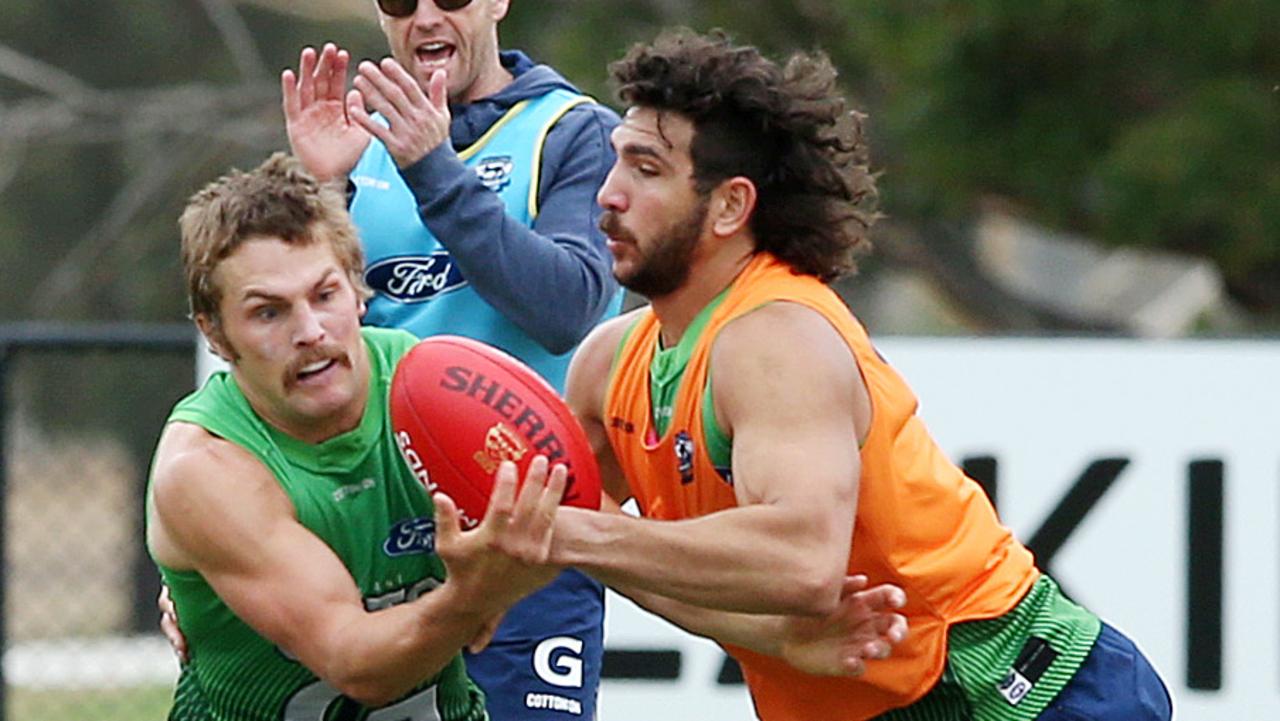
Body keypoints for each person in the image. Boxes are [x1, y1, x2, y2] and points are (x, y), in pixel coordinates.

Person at [550, 29, 1174, 721]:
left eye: (646, 168)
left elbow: (801, 563)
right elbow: (573, 531)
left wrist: (571, 533)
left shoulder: (772, 337)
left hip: (1016, 696)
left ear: (730, 205)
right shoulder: (609, 364)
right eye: (616, 163)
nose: (608, 194)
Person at [277, 2, 622, 715]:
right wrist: (325, 193)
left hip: (524, 539)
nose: (427, 15)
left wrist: (433, 169)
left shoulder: (573, 132)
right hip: (375, 536)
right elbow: (301, 353)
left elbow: (565, 309)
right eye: (403, 1)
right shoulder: (357, 145)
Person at [145, 153, 570, 719]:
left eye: (325, 295)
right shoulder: (205, 467)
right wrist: (475, 595)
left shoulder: (440, 388)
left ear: (358, 288)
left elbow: (584, 499)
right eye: (269, 313)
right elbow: (355, 663)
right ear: (216, 336)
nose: (311, 331)